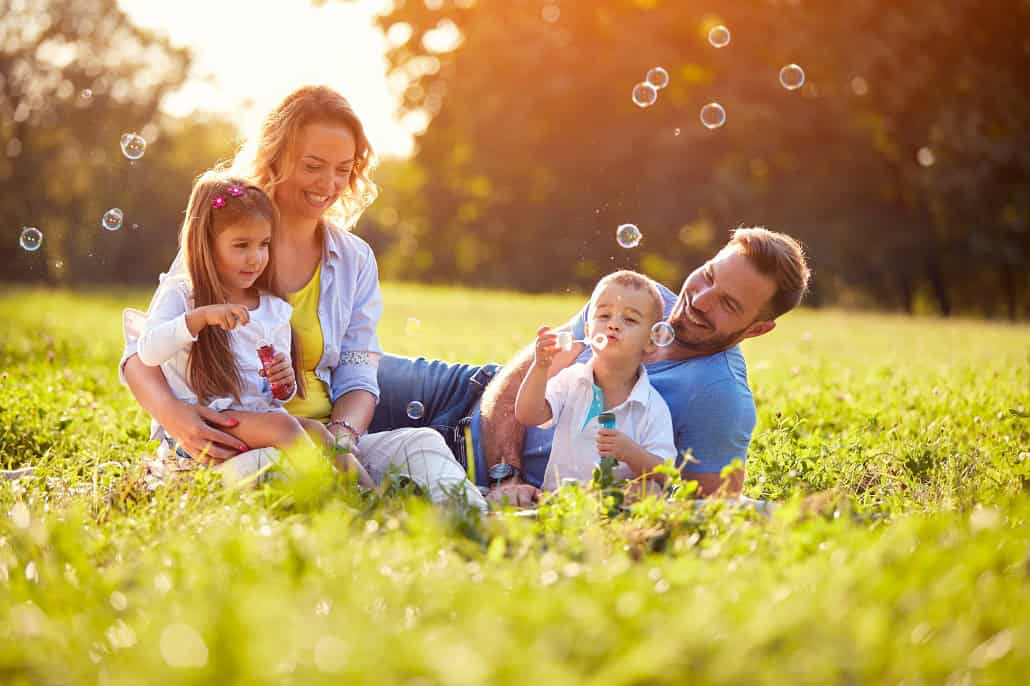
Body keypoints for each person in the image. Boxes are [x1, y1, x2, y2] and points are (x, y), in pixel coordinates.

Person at [120, 85, 485, 510]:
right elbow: (139, 353)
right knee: (280, 471)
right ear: (277, 156)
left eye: (343, 169)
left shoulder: (353, 258)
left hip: (322, 441)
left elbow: (358, 372)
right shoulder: (226, 238)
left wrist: (343, 441)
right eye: (314, 165)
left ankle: (473, 523)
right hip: (236, 444)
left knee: (421, 443)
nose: (329, 184)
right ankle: (367, 516)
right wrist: (175, 418)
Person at [369, 227, 811, 506]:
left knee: (330, 448)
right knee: (333, 374)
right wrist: (507, 473)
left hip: (468, 467)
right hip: (464, 392)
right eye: (709, 275)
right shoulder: (641, 297)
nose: (700, 299)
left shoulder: (721, 398)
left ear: (757, 330)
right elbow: (520, 375)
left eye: (729, 304)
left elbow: (711, 509)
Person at [134, 171, 373, 487]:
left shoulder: (273, 309)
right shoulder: (182, 294)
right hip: (209, 424)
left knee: (317, 432)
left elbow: (279, 397)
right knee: (285, 429)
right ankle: (329, 495)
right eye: (241, 245)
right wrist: (200, 318)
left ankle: (371, 498)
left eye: (264, 244)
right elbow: (148, 351)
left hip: (255, 420)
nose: (255, 258)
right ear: (205, 242)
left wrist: (283, 383)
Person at [515, 270, 675, 490]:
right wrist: (540, 368)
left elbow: (667, 475)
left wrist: (630, 452)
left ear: (651, 341)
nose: (614, 325)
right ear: (589, 330)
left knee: (650, 490)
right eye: (604, 315)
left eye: (629, 319)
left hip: (614, 513)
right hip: (559, 506)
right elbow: (527, 414)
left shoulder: (651, 407)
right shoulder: (571, 380)